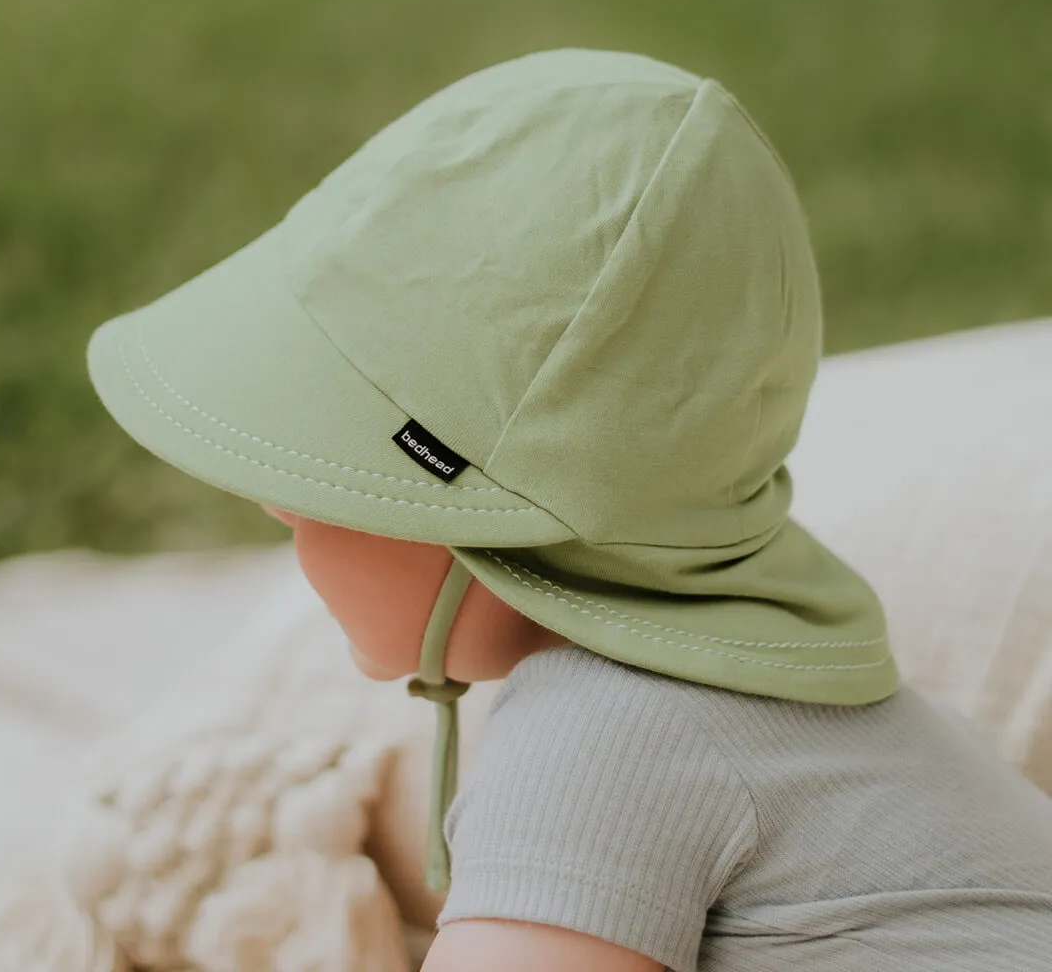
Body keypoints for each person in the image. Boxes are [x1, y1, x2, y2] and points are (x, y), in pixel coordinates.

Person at [86, 49, 1052, 971]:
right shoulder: (824, 708)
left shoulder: (602, 740)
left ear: (483, 514)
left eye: (313, 476)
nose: (273, 505)